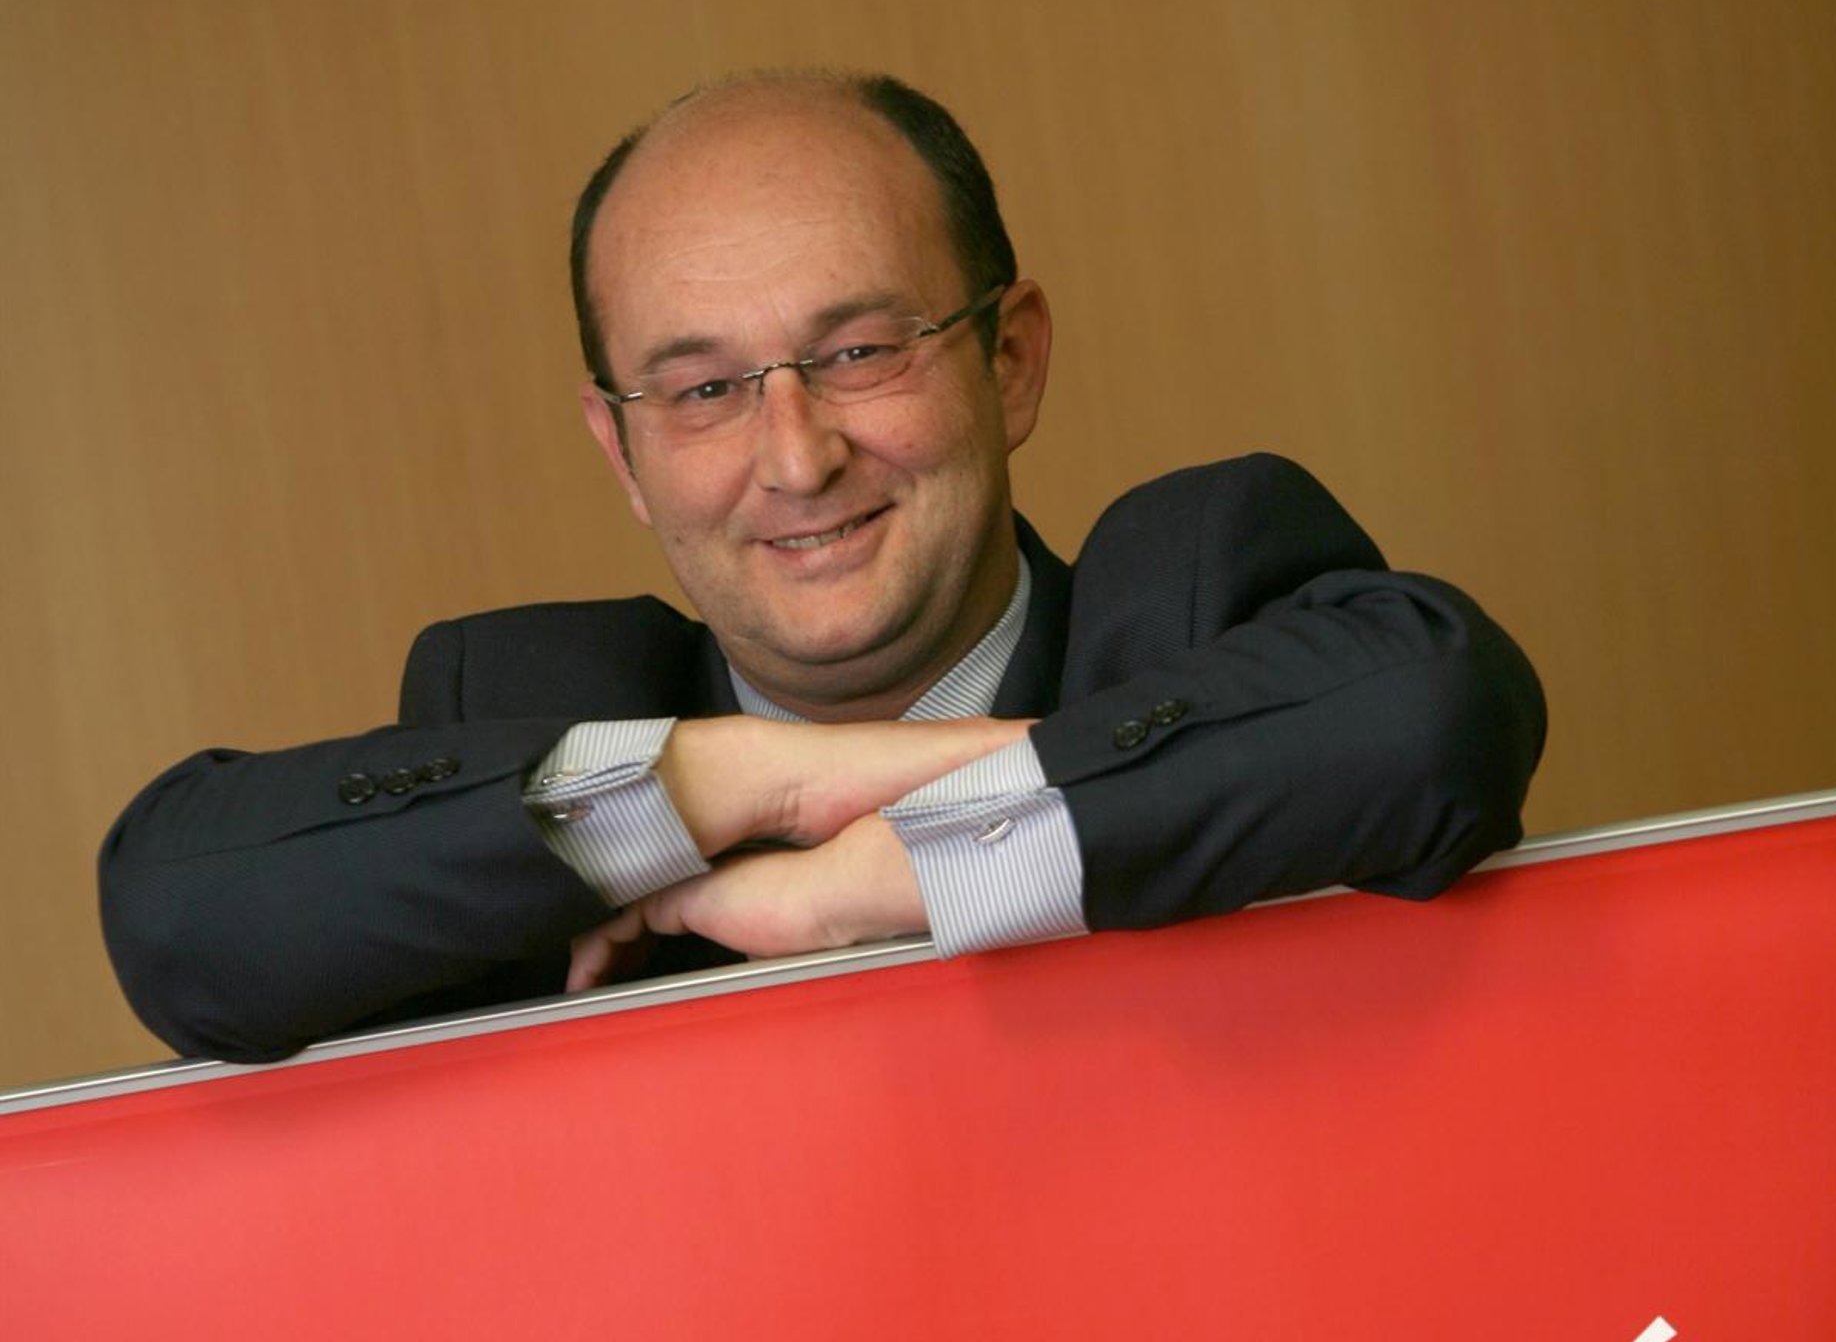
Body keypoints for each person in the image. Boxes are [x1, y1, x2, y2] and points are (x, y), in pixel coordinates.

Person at [99, 72, 1546, 1063]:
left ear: (1011, 359)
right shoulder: (541, 711)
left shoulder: (1188, 598)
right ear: (622, 451)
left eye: (858, 352)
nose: (796, 459)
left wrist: (890, 865)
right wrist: (742, 785)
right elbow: (175, 909)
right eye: (702, 391)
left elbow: (1434, 715)